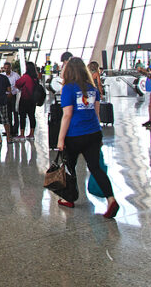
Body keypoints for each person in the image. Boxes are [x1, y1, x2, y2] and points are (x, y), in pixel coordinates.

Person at [56, 57, 119, 218]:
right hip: (93, 133)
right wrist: (99, 135)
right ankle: (111, 199)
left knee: (70, 168)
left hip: (74, 135)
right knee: (95, 168)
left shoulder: (68, 88)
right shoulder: (93, 88)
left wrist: (60, 139)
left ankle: (69, 199)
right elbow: (96, 114)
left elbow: (67, 115)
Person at [15, 61, 39, 140]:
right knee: (32, 116)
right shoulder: (36, 77)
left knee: (22, 116)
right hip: (33, 100)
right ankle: (31, 134)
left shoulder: (25, 77)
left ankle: (22, 134)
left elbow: (17, 84)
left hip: (25, 99)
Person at [137, 50, 151, 128]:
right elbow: (148, 74)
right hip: (149, 87)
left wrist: (143, 70)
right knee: (150, 105)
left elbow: (150, 75)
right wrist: (142, 71)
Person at [3, 61, 20, 134]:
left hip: (14, 96)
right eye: (5, 68)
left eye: (8, 68)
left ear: (11, 68)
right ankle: (9, 130)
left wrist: (12, 93)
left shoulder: (16, 76)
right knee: (8, 114)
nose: (6, 70)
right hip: (5, 96)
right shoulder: (2, 76)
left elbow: (19, 87)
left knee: (15, 113)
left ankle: (15, 130)